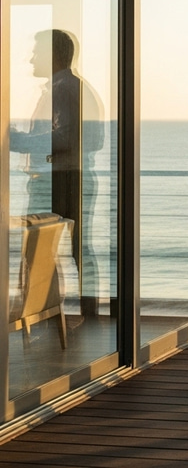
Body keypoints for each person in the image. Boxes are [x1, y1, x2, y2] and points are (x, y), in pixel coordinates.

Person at [10, 29, 104, 318]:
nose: (30, 59)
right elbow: (90, 139)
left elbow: (64, 138)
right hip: (69, 175)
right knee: (75, 248)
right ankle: (76, 313)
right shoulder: (74, 88)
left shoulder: (64, 89)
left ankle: (43, 314)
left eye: (36, 52)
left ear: (53, 55)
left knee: (39, 249)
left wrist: (16, 140)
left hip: (58, 178)